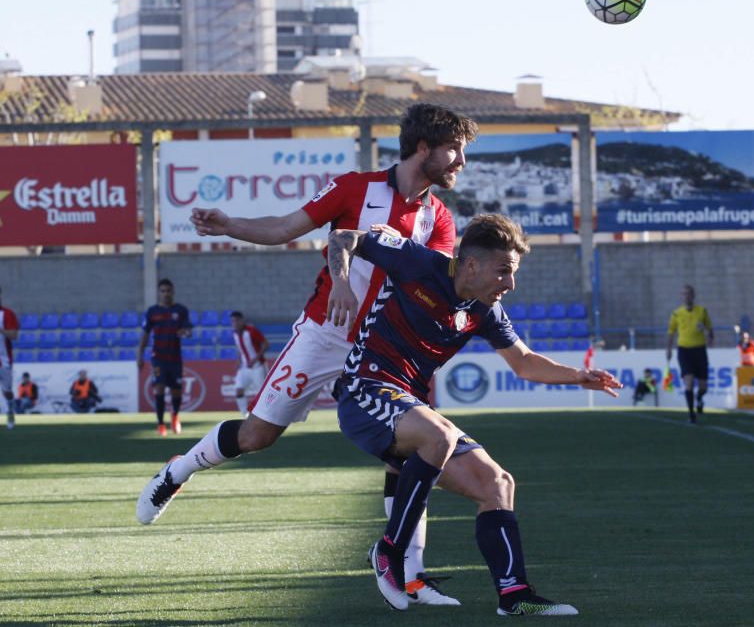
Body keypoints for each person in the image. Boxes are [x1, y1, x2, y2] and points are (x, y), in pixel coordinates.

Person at [137, 103, 477, 607]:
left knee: (411, 446)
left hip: (382, 351)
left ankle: (410, 571)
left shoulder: (439, 217)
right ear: (423, 148)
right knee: (257, 436)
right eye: (455, 150)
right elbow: (281, 229)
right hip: (325, 335)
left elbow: (433, 281)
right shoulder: (355, 188)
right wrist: (229, 223)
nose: (461, 162)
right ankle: (178, 469)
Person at [328, 214, 621, 615]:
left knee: (497, 483)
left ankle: (514, 595)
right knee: (440, 437)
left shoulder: (484, 311)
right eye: (504, 272)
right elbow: (343, 238)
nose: (510, 283)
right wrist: (341, 285)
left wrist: (579, 377)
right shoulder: (418, 263)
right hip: (364, 387)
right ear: (471, 265)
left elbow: (525, 363)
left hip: (409, 405)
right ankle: (389, 553)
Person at [137, 278, 193, 436]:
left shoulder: (181, 310)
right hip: (158, 358)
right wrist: (140, 354)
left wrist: (185, 332)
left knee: (176, 392)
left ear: (173, 292)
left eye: (168, 291)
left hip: (175, 358)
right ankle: (161, 423)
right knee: (159, 388)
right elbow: (145, 334)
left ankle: (175, 415)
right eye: (163, 291)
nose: (166, 294)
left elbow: (188, 330)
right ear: (159, 293)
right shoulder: (152, 312)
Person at [666, 284, 713, 423]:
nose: (686, 296)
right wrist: (668, 349)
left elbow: (710, 329)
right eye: (684, 294)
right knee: (689, 382)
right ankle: (691, 414)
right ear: (681, 297)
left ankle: (699, 398)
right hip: (684, 350)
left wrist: (708, 334)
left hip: (700, 350)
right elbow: (671, 332)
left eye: (689, 294)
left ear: (693, 295)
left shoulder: (702, 311)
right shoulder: (676, 313)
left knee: (703, 386)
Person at [229, 311, 269, 417]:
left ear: (242, 320)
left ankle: (266, 415)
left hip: (258, 367)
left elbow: (266, 344)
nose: (235, 323)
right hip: (244, 368)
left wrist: (255, 359)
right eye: (232, 321)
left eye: (237, 320)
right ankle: (245, 415)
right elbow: (239, 348)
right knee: (238, 390)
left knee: (261, 393)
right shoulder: (234, 333)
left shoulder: (252, 331)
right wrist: (238, 360)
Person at [0, 286, 20, 430]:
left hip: (4, 360)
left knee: (7, 391)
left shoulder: (7, 314)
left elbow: (13, 336)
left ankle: (10, 410)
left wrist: (1, 330)